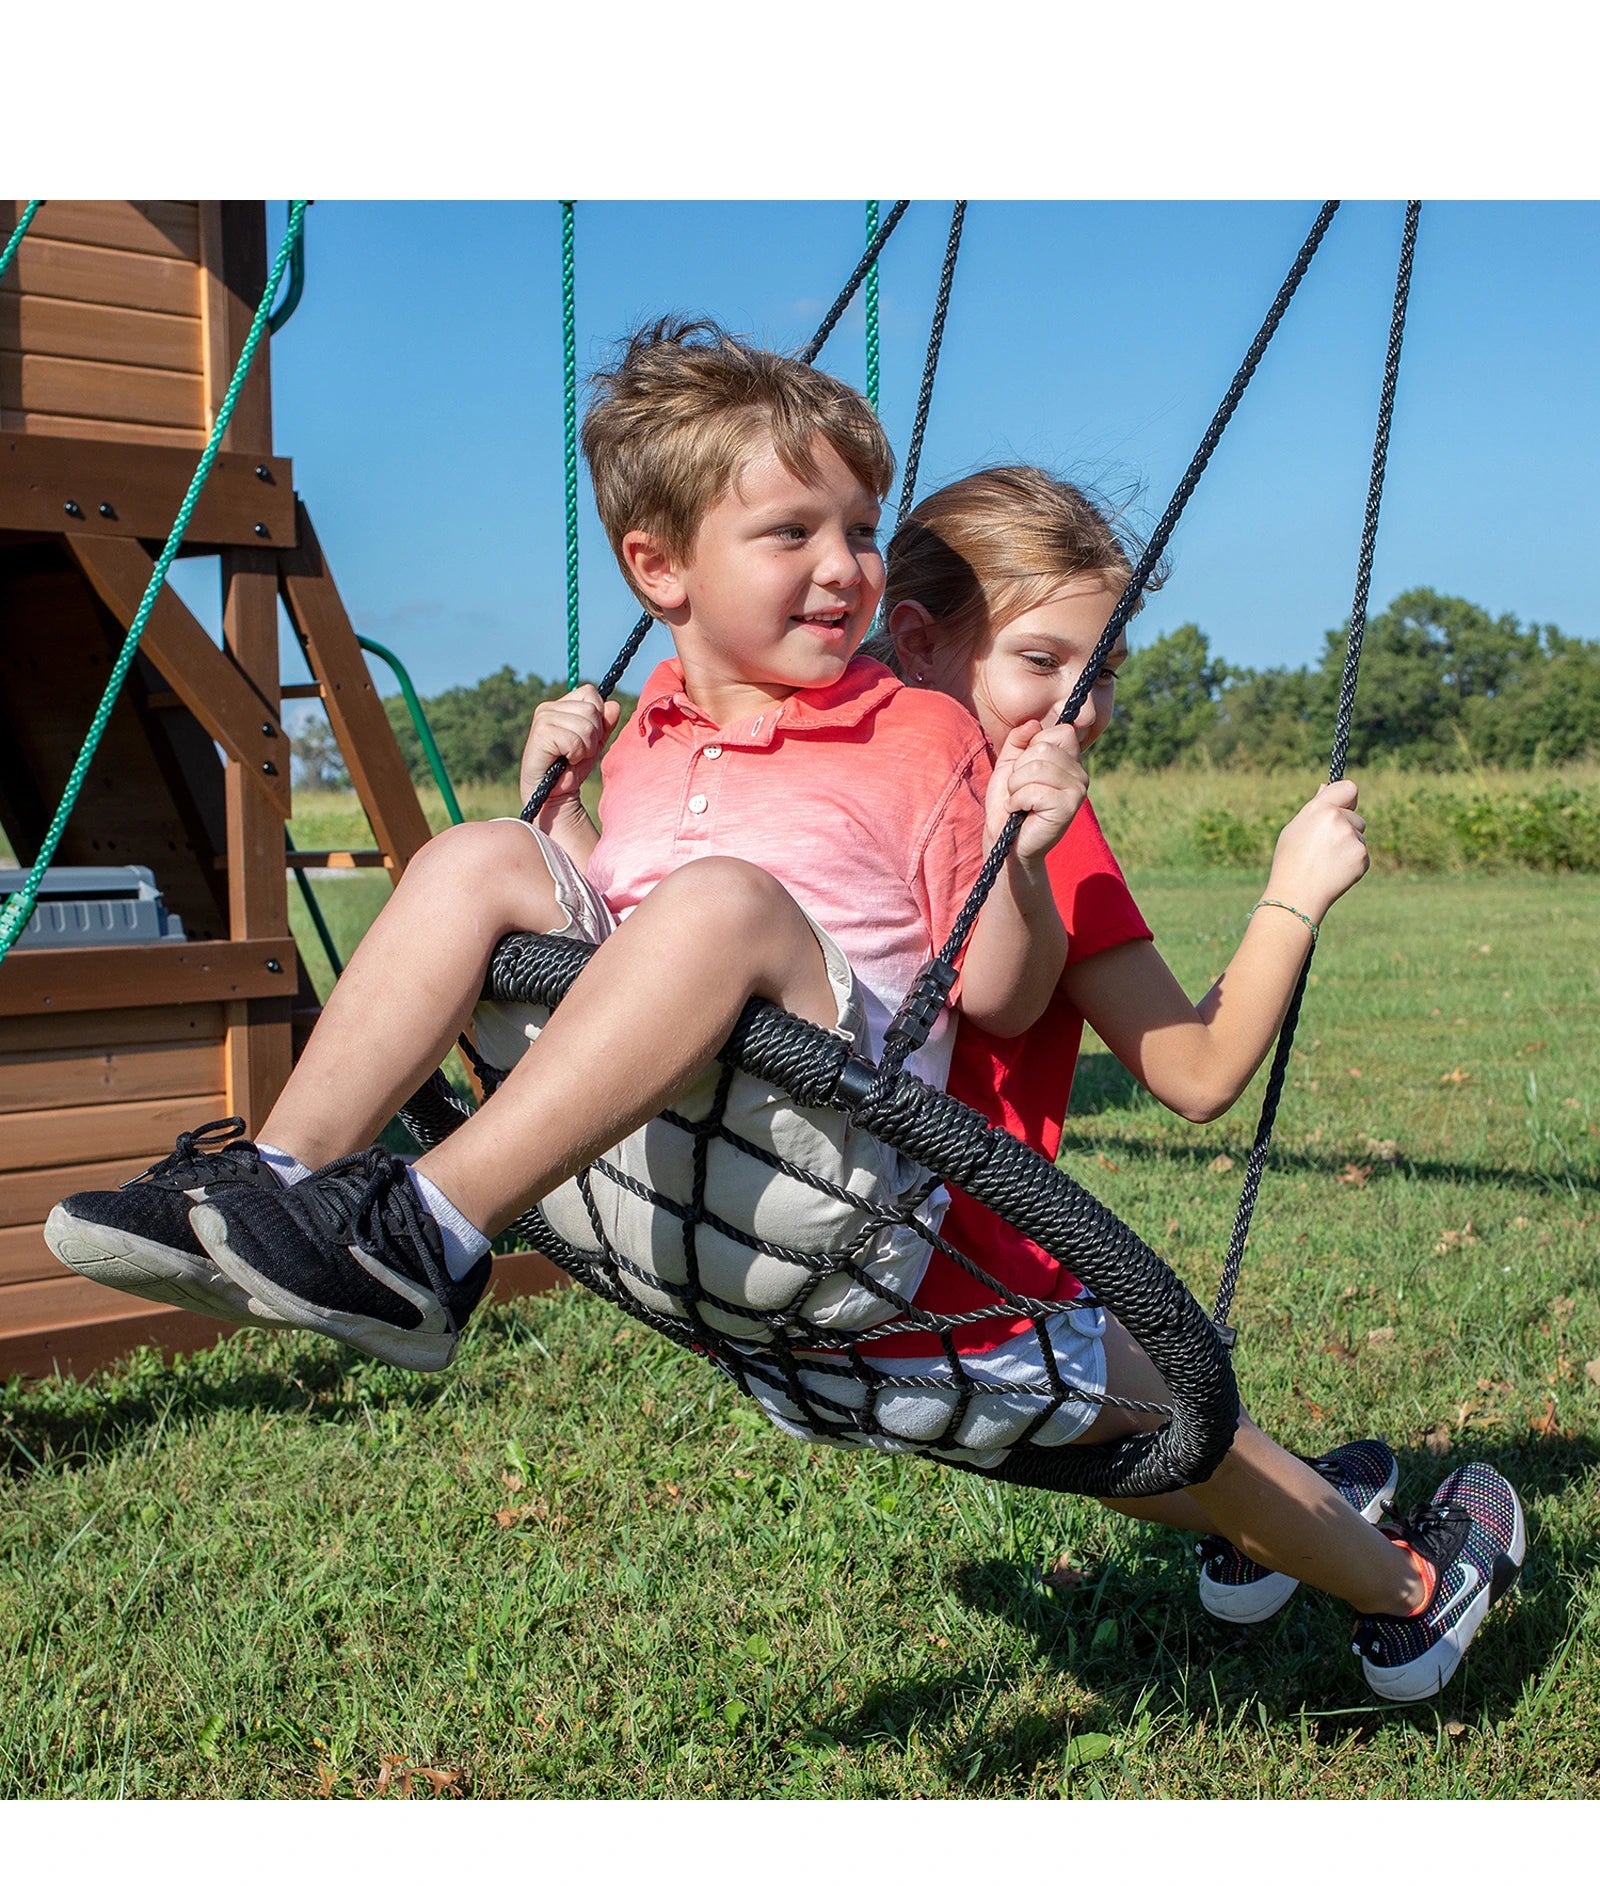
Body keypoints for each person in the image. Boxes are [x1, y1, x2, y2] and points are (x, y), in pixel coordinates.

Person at [42, 322, 1082, 1396]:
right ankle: (276, 1173)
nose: (844, 567)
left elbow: (1000, 997)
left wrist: (1020, 856)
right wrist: (565, 815)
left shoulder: (919, 733)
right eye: (791, 532)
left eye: (861, 529)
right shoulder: (649, 734)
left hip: (830, 1191)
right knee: (485, 852)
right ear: (658, 565)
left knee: (721, 901)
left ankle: (431, 1229)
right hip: (643, 1163)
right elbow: (632, 929)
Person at [831, 464, 1521, 1703]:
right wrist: (1293, 892)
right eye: (1043, 663)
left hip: (807, 1269)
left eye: (1102, 675)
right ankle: (1415, 1595)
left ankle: (1271, 1528)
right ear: (924, 640)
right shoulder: (1029, 816)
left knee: (1167, 1410)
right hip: (972, 1283)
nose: (1080, 712)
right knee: (1188, 1422)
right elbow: (1195, 1071)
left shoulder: (826, 784)